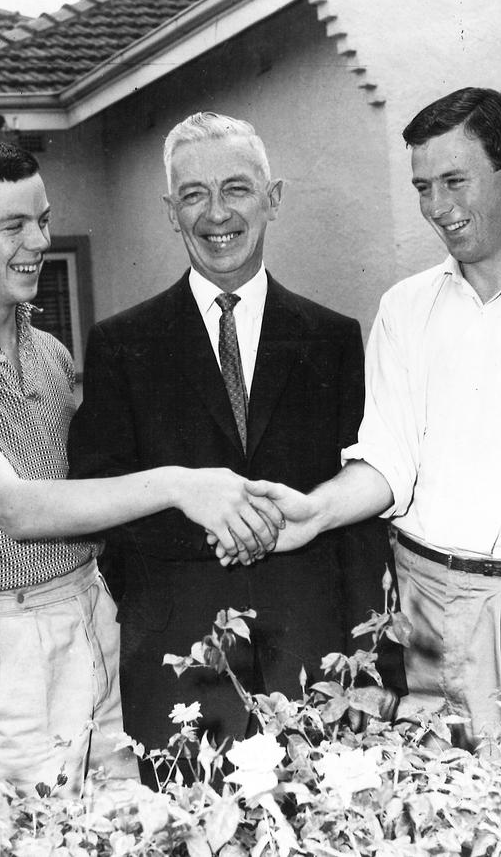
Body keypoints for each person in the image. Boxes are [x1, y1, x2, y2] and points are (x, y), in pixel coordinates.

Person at [0, 140, 283, 796]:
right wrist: (181, 483)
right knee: (17, 834)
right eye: (14, 226)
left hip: (93, 614)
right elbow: (19, 508)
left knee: (125, 824)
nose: (39, 241)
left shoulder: (48, 349)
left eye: (43, 220)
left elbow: (100, 486)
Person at [67, 111, 405, 780]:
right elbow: (104, 504)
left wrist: (373, 666)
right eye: (193, 194)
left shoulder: (332, 338)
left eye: (236, 189)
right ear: (170, 210)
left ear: (272, 198)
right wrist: (220, 533)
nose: (215, 213)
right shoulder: (121, 345)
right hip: (180, 665)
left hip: (315, 661)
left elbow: (360, 519)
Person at [235, 87, 501, 748]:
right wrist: (313, 510)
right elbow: (389, 459)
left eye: (454, 182)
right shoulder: (406, 308)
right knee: (454, 796)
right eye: (423, 187)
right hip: (434, 604)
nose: (437, 208)